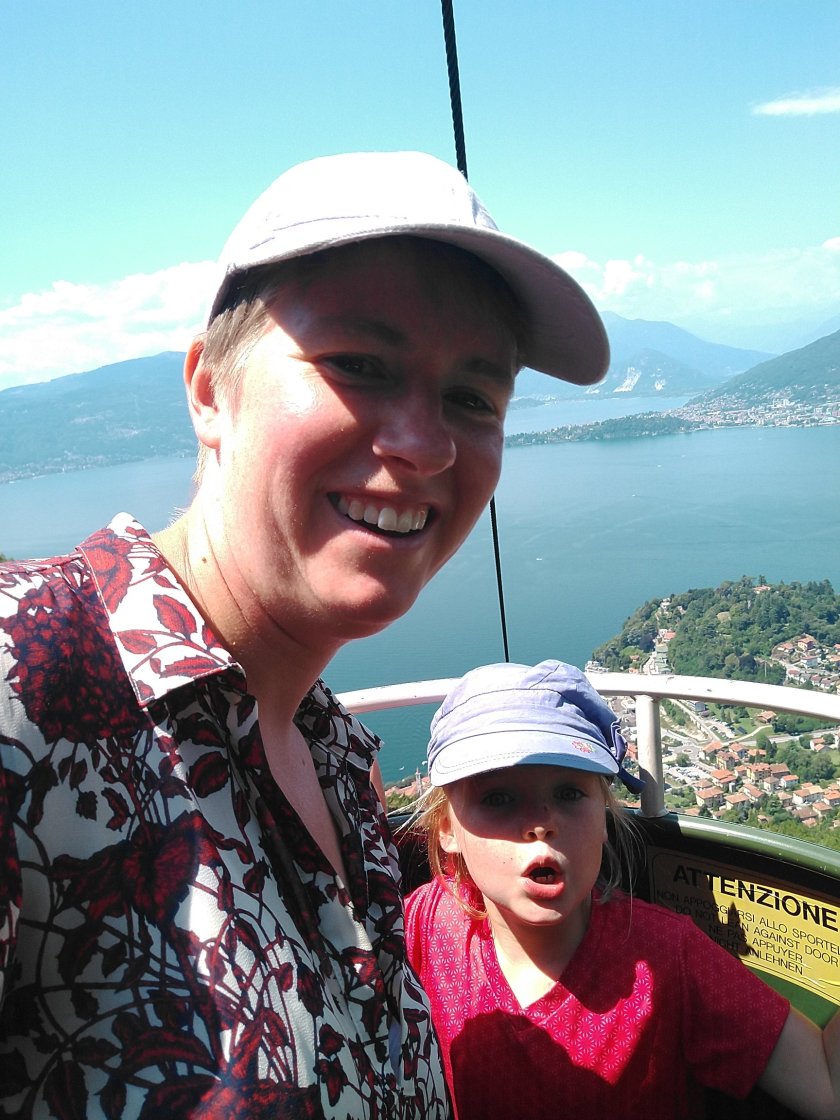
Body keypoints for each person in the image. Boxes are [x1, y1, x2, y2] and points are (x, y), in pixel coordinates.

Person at [0, 153, 609, 1118]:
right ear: (210, 390)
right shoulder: (23, 677)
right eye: (359, 364)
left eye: (473, 398)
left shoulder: (338, 759)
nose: (425, 444)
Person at [405, 659, 840, 1120]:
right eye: (498, 798)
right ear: (446, 830)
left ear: (604, 819)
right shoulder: (425, 927)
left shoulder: (666, 956)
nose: (541, 824)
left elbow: (825, 1082)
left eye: (569, 793)